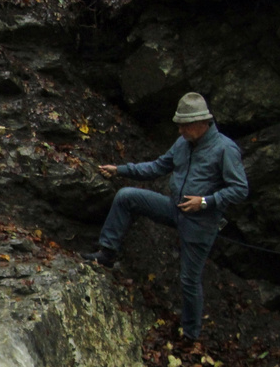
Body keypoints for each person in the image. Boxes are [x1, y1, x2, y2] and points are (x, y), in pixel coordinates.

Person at [83, 92, 249, 345]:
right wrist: (121, 170)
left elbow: (240, 189)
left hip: (201, 223)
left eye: (185, 124)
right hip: (174, 208)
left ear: (203, 122)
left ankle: (190, 336)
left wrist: (205, 201)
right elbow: (157, 167)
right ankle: (107, 252)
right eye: (179, 124)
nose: (180, 129)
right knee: (127, 196)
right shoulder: (182, 143)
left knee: (189, 280)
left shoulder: (225, 149)